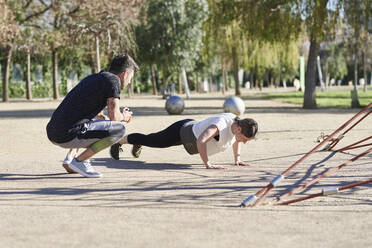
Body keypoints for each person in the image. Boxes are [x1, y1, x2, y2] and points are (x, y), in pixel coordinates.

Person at [46, 53, 139, 178]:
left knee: (97, 125)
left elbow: (82, 109)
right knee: (119, 129)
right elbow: (115, 118)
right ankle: (80, 161)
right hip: (66, 135)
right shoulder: (114, 81)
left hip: (53, 131)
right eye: (130, 78)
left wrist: (102, 119)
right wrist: (124, 116)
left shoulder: (95, 78)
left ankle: (69, 159)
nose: (129, 82)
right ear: (125, 74)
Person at [110, 113, 258, 169]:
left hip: (190, 134)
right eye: (245, 139)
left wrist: (237, 159)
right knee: (154, 140)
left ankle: (139, 141)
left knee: (153, 140)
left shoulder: (236, 127)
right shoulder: (221, 125)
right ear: (239, 129)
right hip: (182, 132)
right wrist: (208, 164)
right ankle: (120, 141)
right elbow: (201, 140)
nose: (244, 142)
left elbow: (236, 141)